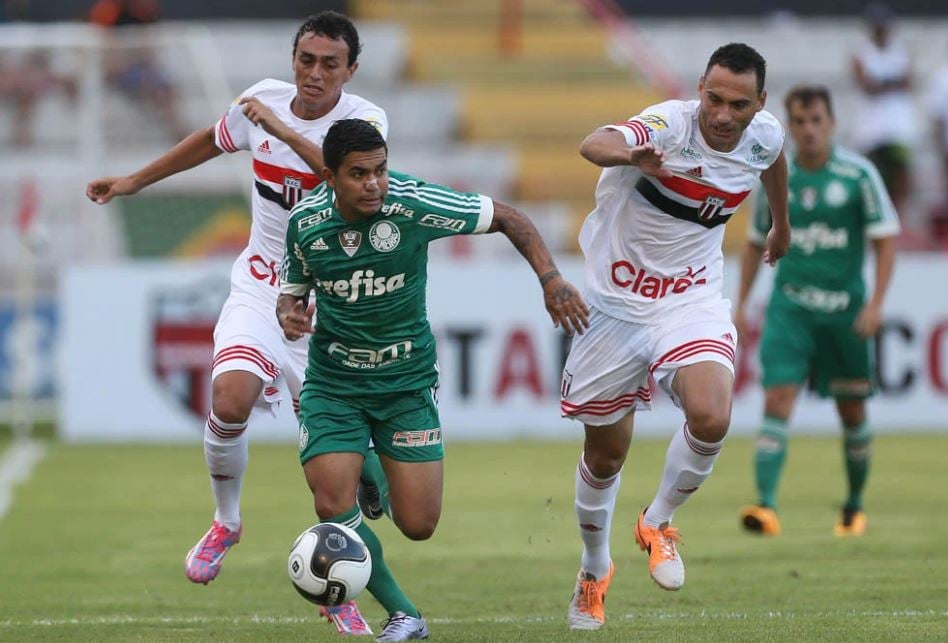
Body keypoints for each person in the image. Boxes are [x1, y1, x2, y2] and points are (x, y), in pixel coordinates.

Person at [86, 12, 386, 636]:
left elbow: (342, 178)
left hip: (329, 304)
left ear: (350, 70)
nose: (314, 73)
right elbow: (210, 138)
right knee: (229, 397)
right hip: (262, 284)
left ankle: (338, 586)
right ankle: (226, 521)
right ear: (294, 58)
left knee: (331, 483)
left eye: (330, 64)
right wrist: (135, 180)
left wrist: (278, 127)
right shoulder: (262, 102)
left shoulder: (365, 123)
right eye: (306, 59)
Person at [277, 118, 589, 642]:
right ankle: (406, 616)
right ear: (329, 177)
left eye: (380, 170)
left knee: (418, 524)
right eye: (359, 174)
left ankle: (370, 468)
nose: (374, 184)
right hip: (334, 384)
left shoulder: (413, 204)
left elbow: (509, 217)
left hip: (406, 383)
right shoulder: (305, 223)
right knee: (332, 503)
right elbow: (293, 291)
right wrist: (289, 313)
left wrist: (551, 279)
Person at [560, 43, 790, 631]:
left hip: (690, 300)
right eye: (714, 98)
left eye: (739, 105)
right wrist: (634, 156)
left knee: (712, 416)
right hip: (614, 307)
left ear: (760, 103)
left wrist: (780, 224)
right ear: (699, 89)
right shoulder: (668, 125)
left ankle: (657, 521)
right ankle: (594, 568)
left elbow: (773, 160)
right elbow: (592, 144)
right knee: (605, 455)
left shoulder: (764, 135)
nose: (722, 115)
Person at [736, 86, 899, 538]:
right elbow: (754, 243)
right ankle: (765, 506)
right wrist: (741, 304)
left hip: (845, 313)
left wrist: (876, 304)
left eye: (816, 120)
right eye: (800, 121)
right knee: (777, 399)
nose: (808, 130)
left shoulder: (858, 176)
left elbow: (886, 239)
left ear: (832, 123)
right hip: (790, 308)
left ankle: (854, 506)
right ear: (788, 126)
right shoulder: (776, 177)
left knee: (852, 411)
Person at [849, 2, 916, 216]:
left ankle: (900, 217)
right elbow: (867, 86)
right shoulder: (861, 54)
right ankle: (876, 216)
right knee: (874, 176)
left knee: (900, 175)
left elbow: (907, 81)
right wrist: (892, 83)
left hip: (898, 126)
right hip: (871, 130)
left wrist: (881, 83)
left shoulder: (901, 51)